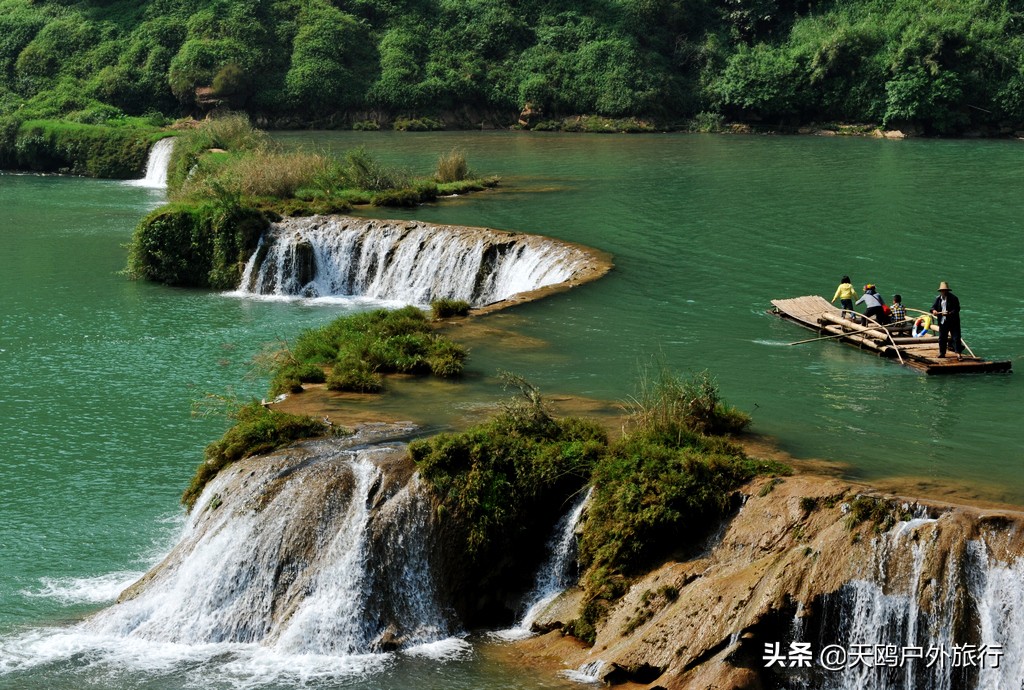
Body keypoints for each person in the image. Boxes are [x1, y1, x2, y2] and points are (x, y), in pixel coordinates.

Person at [931, 281, 962, 360]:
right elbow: (932, 308)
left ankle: (958, 354)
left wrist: (949, 313)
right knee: (942, 338)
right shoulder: (938, 299)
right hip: (943, 321)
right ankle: (942, 353)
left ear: (947, 291)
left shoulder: (954, 298)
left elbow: (957, 309)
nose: (943, 292)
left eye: (945, 290)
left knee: (956, 337)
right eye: (942, 291)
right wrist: (934, 311)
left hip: (953, 321)